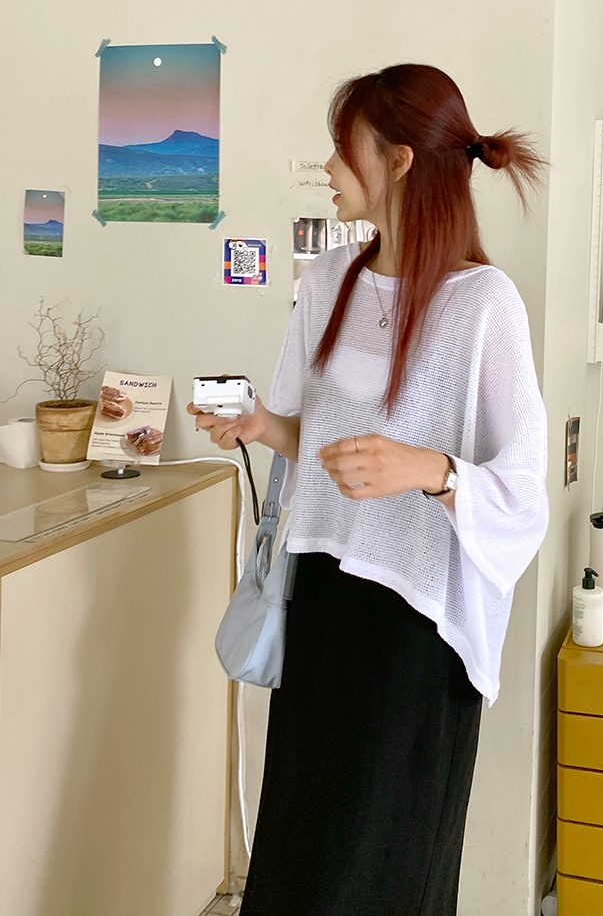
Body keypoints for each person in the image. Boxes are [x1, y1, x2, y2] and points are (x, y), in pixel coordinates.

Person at [188, 63, 550, 916]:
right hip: (323, 600)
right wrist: (260, 426)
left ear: (398, 160)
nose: (328, 165)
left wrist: (428, 469)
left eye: (342, 147)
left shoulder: (484, 306)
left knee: (384, 872)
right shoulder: (326, 283)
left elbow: (522, 491)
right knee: (302, 854)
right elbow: (316, 440)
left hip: (416, 628)